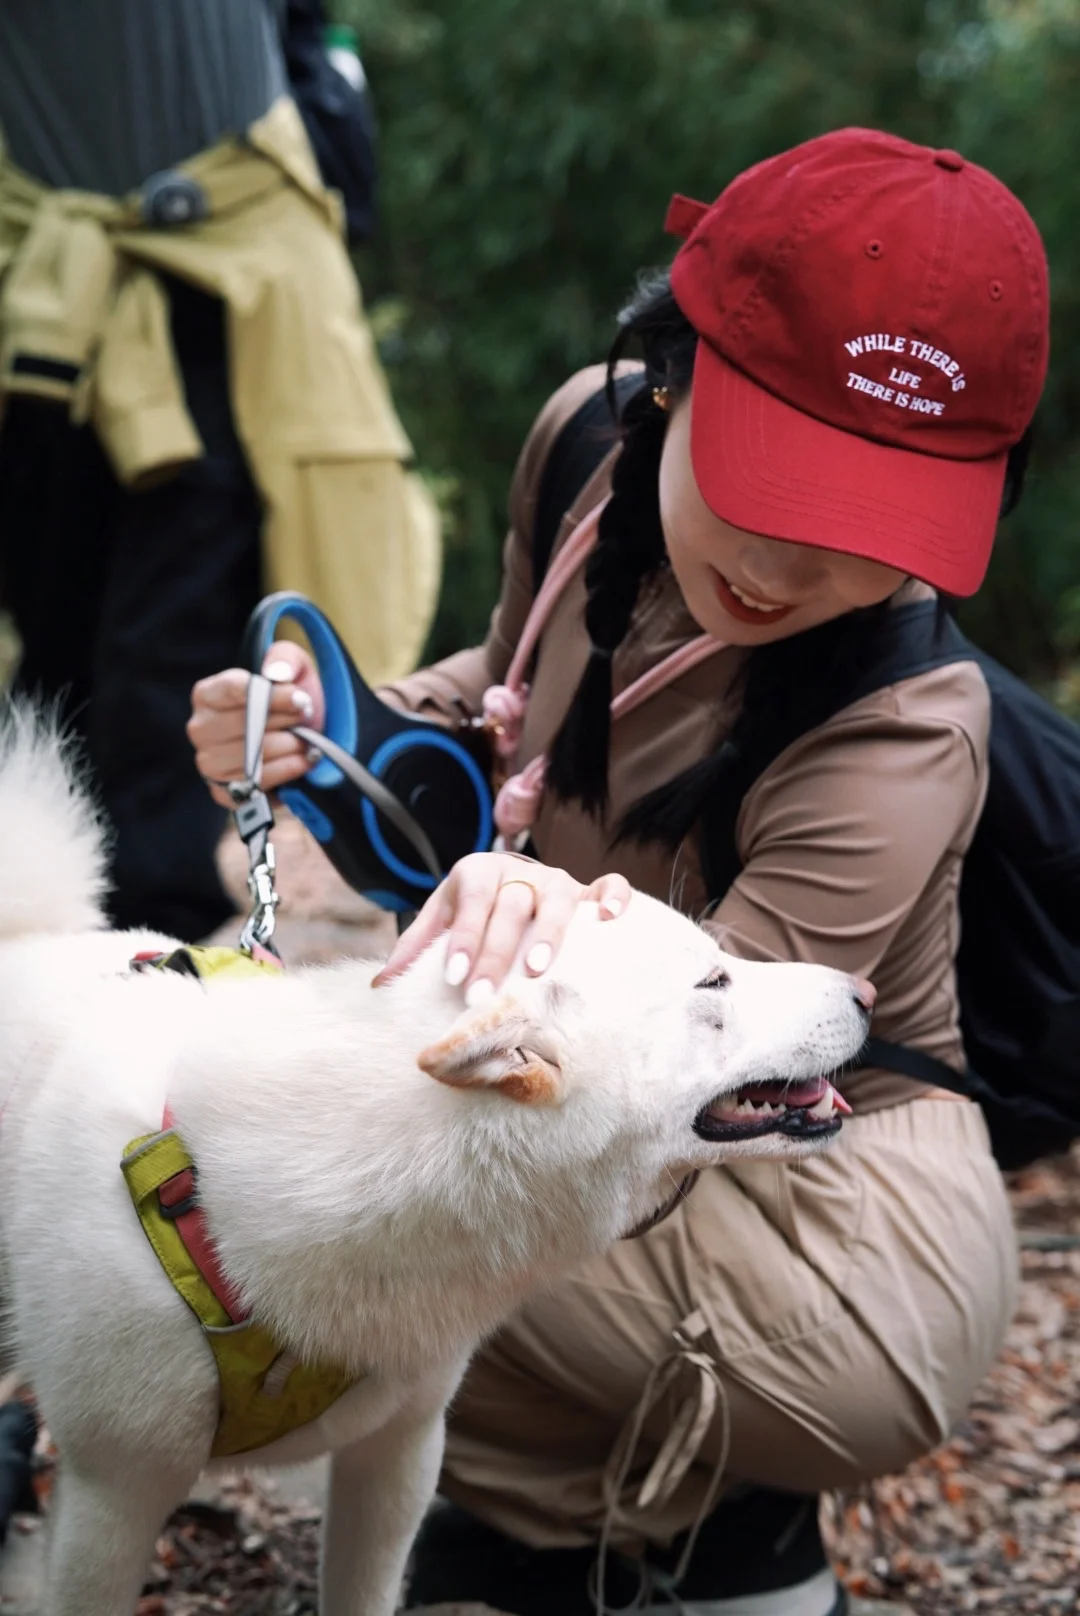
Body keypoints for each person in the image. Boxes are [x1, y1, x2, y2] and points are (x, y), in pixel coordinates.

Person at [187, 129, 1049, 1616]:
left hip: (830, 1198)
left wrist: (531, 932)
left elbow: (689, 1079)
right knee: (346, 1126)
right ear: (672, 376)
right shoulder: (588, 449)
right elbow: (510, 686)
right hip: (654, 1071)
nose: (788, 566)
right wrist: (345, 722)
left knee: (348, 1164)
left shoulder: (905, 726)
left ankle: (684, 1529)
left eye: (868, 522)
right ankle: (557, 1509)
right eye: (774, 478)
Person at [0, 0, 438, 943]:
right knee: (64, 640)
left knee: (172, 648)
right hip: (55, 319)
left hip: (219, 317)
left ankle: (159, 937)